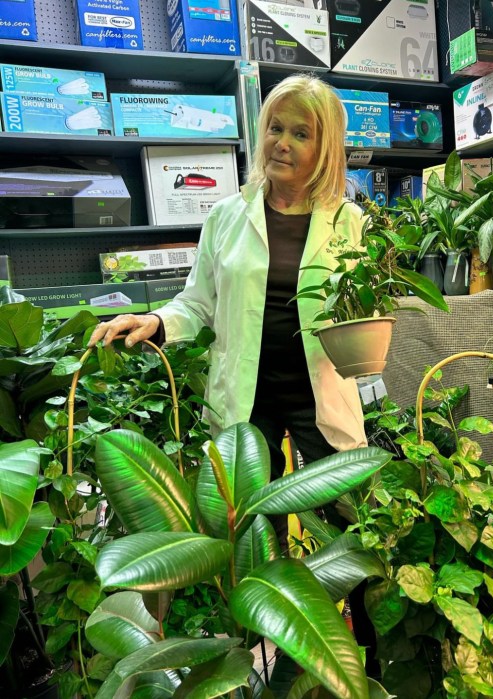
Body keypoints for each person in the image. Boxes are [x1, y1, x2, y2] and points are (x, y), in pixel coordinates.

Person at [88, 73, 377, 673]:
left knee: (352, 535)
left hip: (323, 395)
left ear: (325, 147)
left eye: (301, 133)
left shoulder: (349, 220)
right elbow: (197, 303)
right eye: (275, 127)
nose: (283, 143)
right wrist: (156, 322)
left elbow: (367, 306)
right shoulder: (226, 216)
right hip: (247, 408)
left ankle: (364, 663)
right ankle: (259, 668)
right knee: (251, 540)